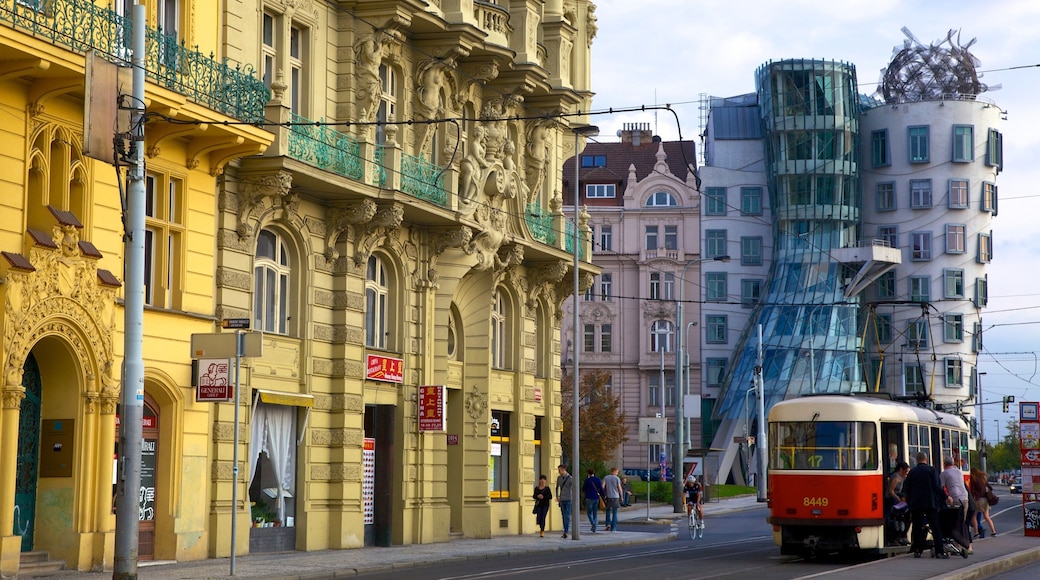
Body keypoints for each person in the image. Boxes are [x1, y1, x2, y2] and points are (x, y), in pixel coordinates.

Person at [904, 452, 950, 558]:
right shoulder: (931, 470)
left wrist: (909, 502)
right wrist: (945, 497)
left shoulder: (912, 472)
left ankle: (917, 550)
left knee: (917, 527)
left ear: (917, 460)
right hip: (930, 503)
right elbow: (937, 487)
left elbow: (907, 488)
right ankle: (939, 551)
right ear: (926, 459)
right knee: (935, 527)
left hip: (916, 504)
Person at [940, 455, 972, 553]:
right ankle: (967, 545)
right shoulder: (958, 471)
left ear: (944, 464)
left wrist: (945, 498)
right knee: (962, 522)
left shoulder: (944, 473)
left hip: (955, 499)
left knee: (953, 523)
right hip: (965, 498)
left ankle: (956, 546)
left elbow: (940, 488)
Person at [885, 461, 910, 545]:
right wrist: (898, 499)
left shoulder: (902, 477)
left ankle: (901, 536)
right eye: (906, 471)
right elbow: (891, 491)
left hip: (896, 499)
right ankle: (894, 537)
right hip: (891, 500)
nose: (906, 473)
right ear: (901, 470)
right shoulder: (896, 477)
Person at [969, 467, 997, 538]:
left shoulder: (973, 479)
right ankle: (993, 531)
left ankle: (976, 532)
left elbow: (972, 491)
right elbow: (990, 488)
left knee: (973, 516)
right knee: (987, 516)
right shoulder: (982, 479)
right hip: (985, 499)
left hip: (978, 500)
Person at [582, 468, 604, 533]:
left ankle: (593, 523)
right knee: (595, 512)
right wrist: (603, 495)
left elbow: (583, 489)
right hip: (596, 497)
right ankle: (594, 527)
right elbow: (601, 488)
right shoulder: (597, 479)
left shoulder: (587, 480)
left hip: (589, 498)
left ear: (588, 473)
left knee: (589, 512)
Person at [602, 467, 622, 532]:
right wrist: (621, 496)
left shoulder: (606, 477)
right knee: (614, 512)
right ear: (614, 471)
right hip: (615, 496)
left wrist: (604, 494)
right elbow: (619, 488)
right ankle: (613, 528)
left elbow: (602, 486)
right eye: (617, 472)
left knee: (608, 511)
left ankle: (608, 524)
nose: (617, 473)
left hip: (608, 496)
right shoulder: (617, 478)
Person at [555, 464, 573, 539]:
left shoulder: (570, 478)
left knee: (567, 515)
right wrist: (557, 497)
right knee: (563, 515)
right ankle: (565, 530)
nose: (558, 472)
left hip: (569, 498)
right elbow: (557, 488)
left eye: (559, 470)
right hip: (562, 499)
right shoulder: (559, 478)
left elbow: (574, 488)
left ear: (563, 470)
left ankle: (566, 531)